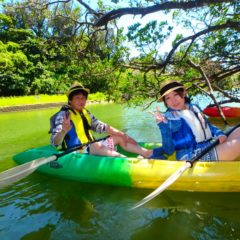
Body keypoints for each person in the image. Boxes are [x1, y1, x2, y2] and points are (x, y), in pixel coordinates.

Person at [50, 81, 152, 158]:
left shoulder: (86, 113)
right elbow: (55, 142)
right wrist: (63, 131)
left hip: (91, 146)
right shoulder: (63, 115)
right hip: (76, 151)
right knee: (95, 145)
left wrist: (124, 135)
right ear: (70, 100)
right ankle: (125, 160)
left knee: (119, 138)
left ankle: (148, 153)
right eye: (77, 98)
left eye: (83, 98)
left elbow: (103, 127)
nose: (81, 101)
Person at [149, 80, 240, 161]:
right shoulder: (170, 118)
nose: (173, 101)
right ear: (165, 102)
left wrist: (219, 133)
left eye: (175, 95)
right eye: (168, 98)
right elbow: (168, 150)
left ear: (183, 93)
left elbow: (208, 126)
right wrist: (163, 126)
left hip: (208, 147)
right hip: (191, 156)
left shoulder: (194, 108)